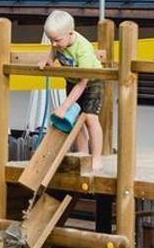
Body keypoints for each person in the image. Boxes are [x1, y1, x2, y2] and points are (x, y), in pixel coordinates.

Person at [40, 9, 105, 173]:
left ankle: (97, 158)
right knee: (75, 118)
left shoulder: (83, 49)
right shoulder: (58, 42)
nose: (54, 44)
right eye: (51, 40)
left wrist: (64, 106)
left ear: (70, 33)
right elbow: (54, 50)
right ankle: (82, 154)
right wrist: (49, 59)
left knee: (90, 118)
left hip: (91, 82)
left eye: (56, 40)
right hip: (72, 81)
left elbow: (82, 84)